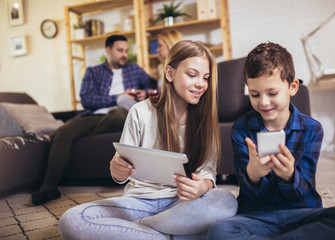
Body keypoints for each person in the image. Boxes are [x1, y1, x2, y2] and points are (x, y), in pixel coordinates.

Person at [59, 40, 238, 240]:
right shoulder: (141, 112)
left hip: (182, 204)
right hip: (139, 201)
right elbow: (120, 168)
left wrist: (203, 186)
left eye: (205, 77)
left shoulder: (205, 118)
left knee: (226, 201)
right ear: (169, 73)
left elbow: (208, 172)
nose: (201, 84)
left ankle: (141, 230)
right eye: (192, 75)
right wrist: (117, 169)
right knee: (72, 221)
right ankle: (172, 235)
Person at [207, 42, 335, 240]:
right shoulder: (241, 129)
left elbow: (304, 192)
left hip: (302, 214)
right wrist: (253, 176)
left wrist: (290, 176)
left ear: (292, 87)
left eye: (272, 93)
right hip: (258, 217)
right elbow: (249, 195)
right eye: (255, 94)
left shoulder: (312, 129)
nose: (263, 102)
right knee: (219, 232)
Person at [32, 35, 157, 205]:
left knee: (120, 113)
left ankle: (85, 134)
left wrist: (145, 92)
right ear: (108, 50)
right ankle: (48, 186)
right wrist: (116, 96)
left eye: (126, 51)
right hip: (93, 115)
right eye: (120, 50)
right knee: (63, 132)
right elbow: (86, 99)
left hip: (120, 114)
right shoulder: (94, 71)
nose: (124, 55)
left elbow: (153, 86)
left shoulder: (135, 70)